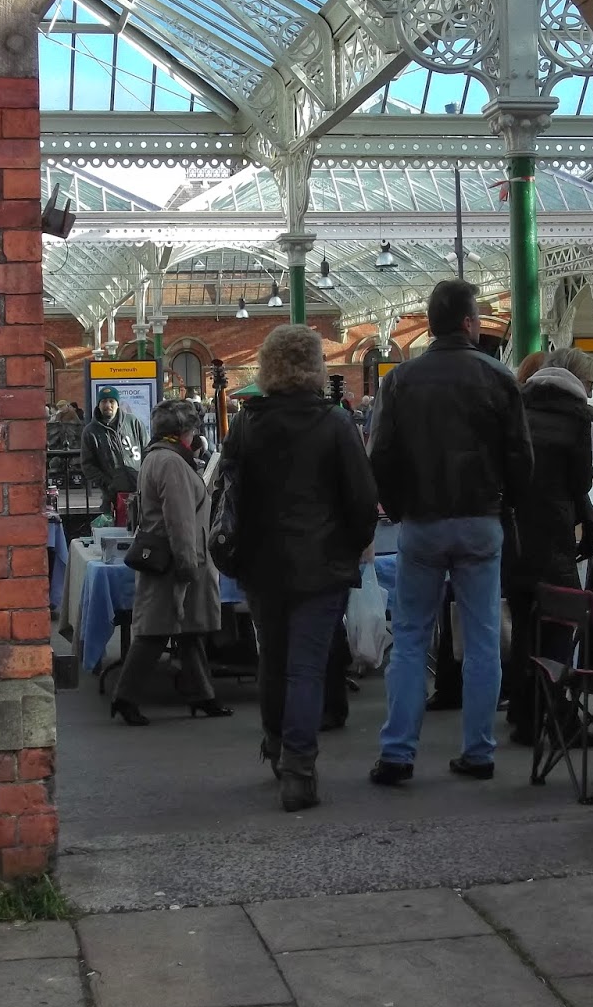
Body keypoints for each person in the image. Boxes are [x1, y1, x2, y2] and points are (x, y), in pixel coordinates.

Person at [366, 280, 534, 784]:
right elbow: (520, 458)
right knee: (482, 637)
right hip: (481, 521)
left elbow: (381, 456)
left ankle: (398, 752)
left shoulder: (401, 381)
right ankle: (479, 751)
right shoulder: (499, 378)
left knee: (413, 637)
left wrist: (399, 508)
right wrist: (505, 505)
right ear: (467, 322)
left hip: (421, 523)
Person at [220, 325, 378, 812]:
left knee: (274, 659)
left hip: (261, 564)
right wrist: (349, 548)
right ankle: (299, 770)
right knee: (307, 667)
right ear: (316, 366)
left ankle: (275, 745)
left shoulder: (246, 425)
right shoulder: (334, 424)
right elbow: (362, 500)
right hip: (321, 564)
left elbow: (231, 493)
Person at [110, 399, 230, 727]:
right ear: (184, 431)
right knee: (155, 632)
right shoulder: (172, 462)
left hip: (172, 557)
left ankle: (203, 695)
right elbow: (178, 519)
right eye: (193, 429)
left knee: (189, 629)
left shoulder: (159, 456)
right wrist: (187, 563)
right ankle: (125, 697)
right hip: (177, 560)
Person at [504, 346, 593, 744]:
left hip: (515, 535)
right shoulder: (575, 417)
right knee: (562, 626)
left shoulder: (518, 407)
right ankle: (559, 716)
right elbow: (580, 483)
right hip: (554, 538)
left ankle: (525, 715)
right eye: (592, 381)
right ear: (578, 380)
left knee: (527, 627)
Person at [80, 385, 147, 521]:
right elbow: (88, 465)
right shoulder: (91, 431)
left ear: (117, 403)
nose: (108, 405)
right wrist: (108, 483)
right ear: (98, 404)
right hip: (112, 495)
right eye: (104, 401)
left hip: (140, 492)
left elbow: (147, 450)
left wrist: (146, 477)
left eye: (112, 401)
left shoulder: (133, 422)